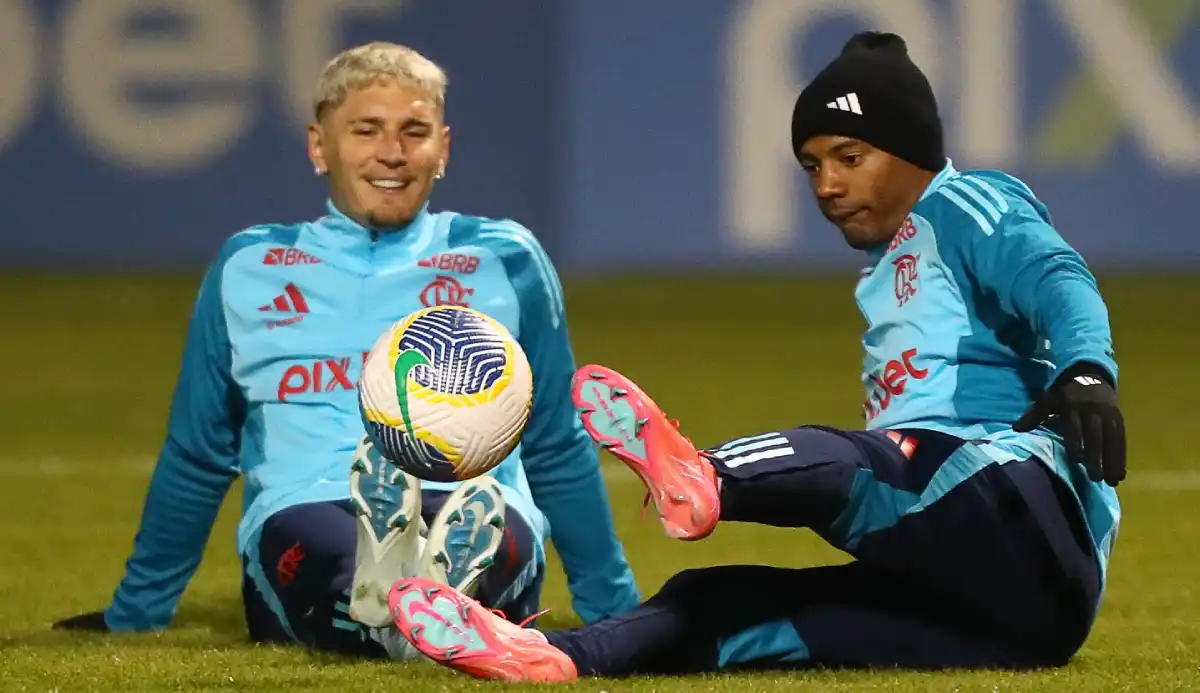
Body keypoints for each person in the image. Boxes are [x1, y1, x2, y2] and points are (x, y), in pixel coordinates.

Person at [382, 31, 1126, 682]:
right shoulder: (891, 266)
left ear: (911, 150)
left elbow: (1055, 276)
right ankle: (559, 654)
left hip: (1027, 516)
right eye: (811, 164)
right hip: (996, 615)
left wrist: (1087, 369)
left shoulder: (965, 205)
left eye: (850, 155)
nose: (828, 185)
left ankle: (706, 477)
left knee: (870, 464)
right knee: (726, 600)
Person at [51, 41, 641, 658]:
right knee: (337, 560)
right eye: (367, 130)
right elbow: (198, 454)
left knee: (476, 540)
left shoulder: (505, 258)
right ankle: (422, 608)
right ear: (318, 146)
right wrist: (138, 611)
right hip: (309, 504)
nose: (392, 152)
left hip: (475, 497)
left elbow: (554, 441)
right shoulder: (249, 267)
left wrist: (615, 609)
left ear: (444, 147)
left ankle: (397, 609)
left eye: (414, 132)